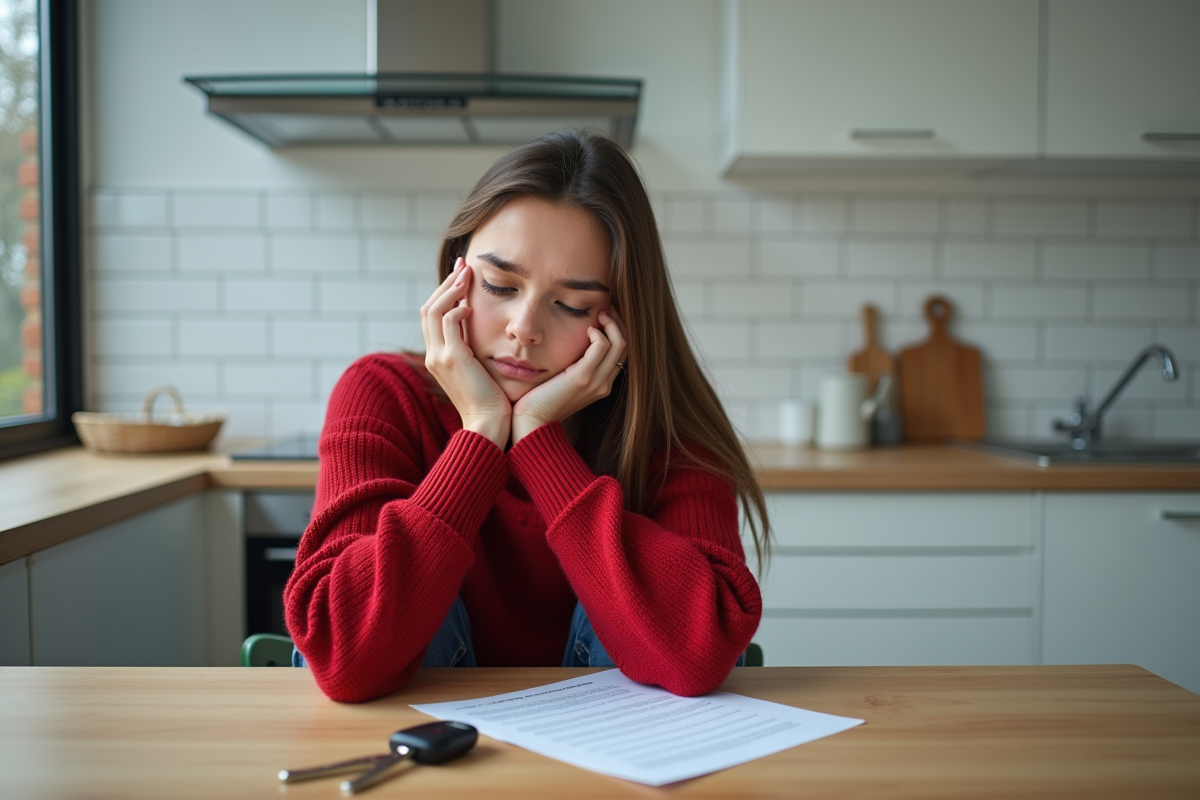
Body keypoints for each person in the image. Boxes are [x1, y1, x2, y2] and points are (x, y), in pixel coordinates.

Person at [284, 130, 769, 703]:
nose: (524, 328)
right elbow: (346, 658)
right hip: (425, 765)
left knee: (652, 591)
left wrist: (537, 438)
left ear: (622, 318)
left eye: (572, 304)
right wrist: (482, 432)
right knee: (391, 578)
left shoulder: (671, 432)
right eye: (499, 285)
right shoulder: (381, 392)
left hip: (611, 767)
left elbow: (698, 652)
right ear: (454, 278)